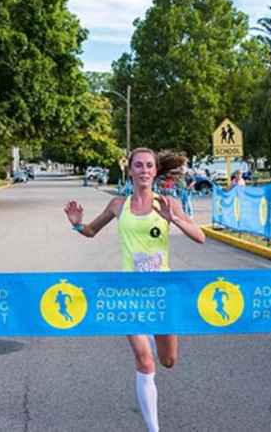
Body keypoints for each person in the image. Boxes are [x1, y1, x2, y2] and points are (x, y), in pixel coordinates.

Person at [63, 148, 207, 432]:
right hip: (128, 293)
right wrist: (78, 225)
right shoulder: (118, 205)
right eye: (138, 165)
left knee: (168, 361)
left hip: (162, 292)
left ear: (155, 171)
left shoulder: (167, 203)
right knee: (144, 361)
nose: (143, 170)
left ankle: (155, 338)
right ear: (129, 171)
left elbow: (200, 237)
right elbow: (91, 231)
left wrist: (173, 218)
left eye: (148, 166)